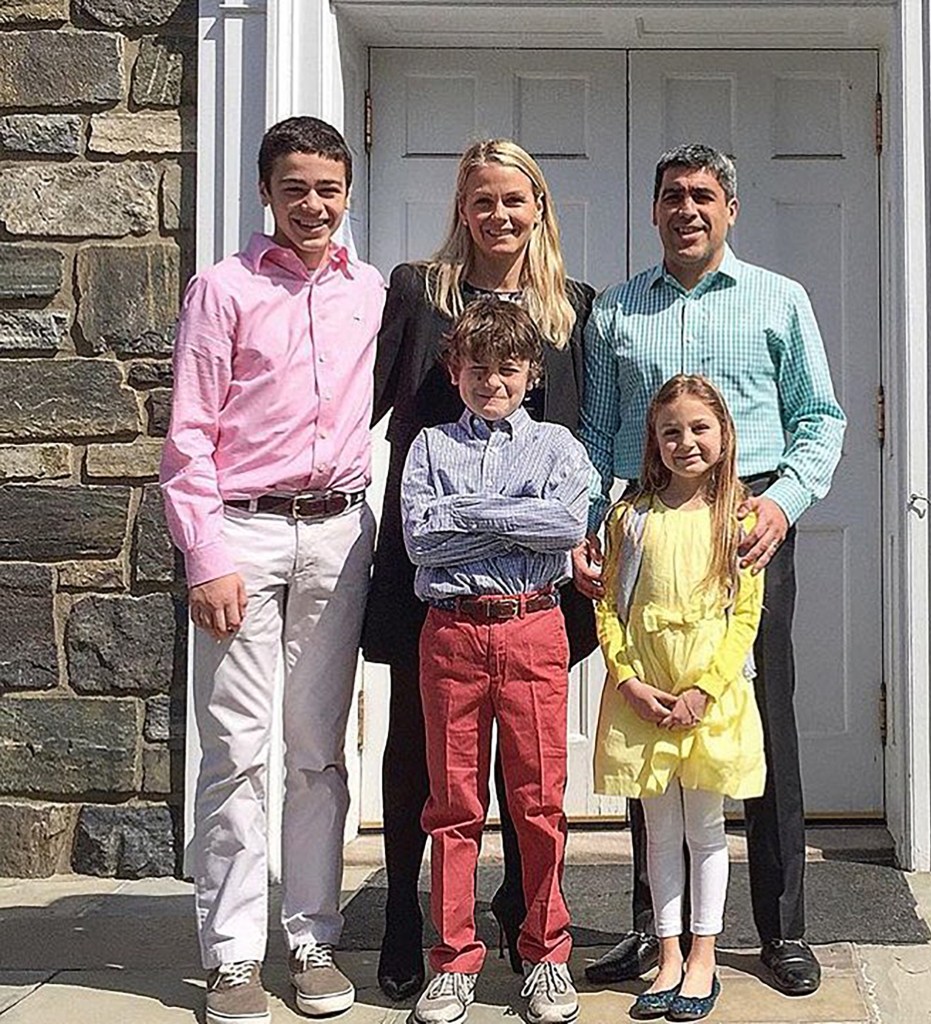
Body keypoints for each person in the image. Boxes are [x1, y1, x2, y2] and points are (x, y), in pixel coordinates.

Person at [578, 144, 846, 996]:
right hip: (645, 526)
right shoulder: (618, 311)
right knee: (645, 721)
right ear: (653, 211)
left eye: (702, 195)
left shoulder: (779, 300)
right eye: (671, 196)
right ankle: (649, 928)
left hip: (747, 525)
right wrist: (590, 530)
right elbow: (594, 430)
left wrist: (781, 505)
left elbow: (820, 418)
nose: (686, 208)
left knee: (758, 718)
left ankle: (781, 929)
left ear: (730, 209)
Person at [160, 116, 385, 1024]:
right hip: (243, 537)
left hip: (338, 534)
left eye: (328, 188)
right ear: (266, 192)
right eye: (295, 187)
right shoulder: (223, 291)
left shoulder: (369, 290)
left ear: (348, 191)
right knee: (236, 752)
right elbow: (187, 437)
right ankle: (230, 956)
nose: (313, 204)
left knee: (318, 754)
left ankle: (312, 938)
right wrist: (205, 555)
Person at [364, 138, 597, 1001]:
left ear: (539, 208)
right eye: (483, 200)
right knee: (422, 758)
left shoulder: (574, 307)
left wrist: (575, 532)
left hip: (540, 585)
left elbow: (589, 433)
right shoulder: (418, 293)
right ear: (463, 209)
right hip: (437, 580)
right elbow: (371, 403)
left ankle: (524, 921)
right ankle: (404, 917)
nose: (500, 215)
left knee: (529, 772)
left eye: (516, 199)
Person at [401, 298, 592, 1024]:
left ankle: (545, 955)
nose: (492, 382)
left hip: (532, 630)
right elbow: (423, 541)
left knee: (539, 803)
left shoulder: (558, 448)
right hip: (450, 634)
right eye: (478, 368)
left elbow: (565, 526)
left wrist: (471, 510)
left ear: (530, 373)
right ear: (455, 371)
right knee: (453, 807)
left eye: (507, 369)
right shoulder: (426, 449)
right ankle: (452, 962)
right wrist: (514, 515)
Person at [593, 374, 765, 1022]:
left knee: (706, 829)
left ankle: (703, 956)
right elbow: (610, 607)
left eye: (699, 428)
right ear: (653, 442)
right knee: (659, 833)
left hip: (708, 700)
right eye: (671, 431)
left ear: (722, 434)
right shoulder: (631, 517)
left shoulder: (738, 518)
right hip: (647, 694)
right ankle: (666, 953)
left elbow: (745, 617)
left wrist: (705, 689)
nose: (685, 442)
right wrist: (629, 680)